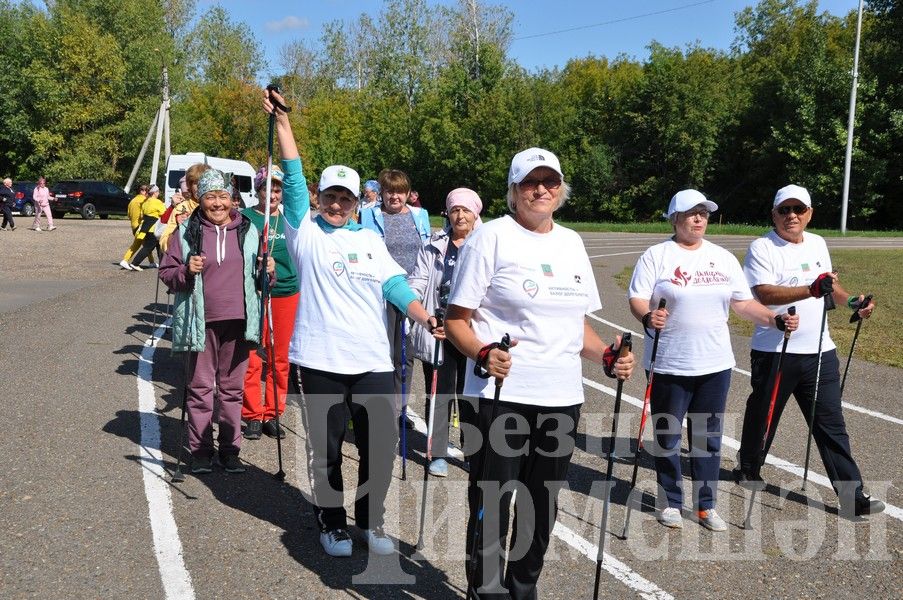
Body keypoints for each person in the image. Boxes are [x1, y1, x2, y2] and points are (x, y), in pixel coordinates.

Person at [444, 147, 635, 599]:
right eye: (532, 181)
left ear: (561, 188)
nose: (542, 189)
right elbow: (456, 320)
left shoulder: (571, 242)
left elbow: (578, 327)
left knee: (540, 504)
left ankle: (523, 585)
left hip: (560, 397)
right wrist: (483, 351)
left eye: (551, 181)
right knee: (494, 498)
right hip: (500, 394)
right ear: (514, 190)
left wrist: (607, 355)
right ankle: (486, 589)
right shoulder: (490, 238)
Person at [265, 89, 440, 558]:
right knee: (325, 450)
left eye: (345, 197)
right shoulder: (305, 232)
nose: (337, 204)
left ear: (356, 201)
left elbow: (396, 287)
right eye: (331, 196)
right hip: (320, 358)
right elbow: (295, 179)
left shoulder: (369, 238)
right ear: (320, 198)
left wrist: (426, 317)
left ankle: (370, 521)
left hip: (371, 360)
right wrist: (284, 123)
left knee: (379, 449)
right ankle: (331, 522)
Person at [627, 189, 799, 532]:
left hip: (715, 363)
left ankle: (706, 505)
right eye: (691, 213)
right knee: (668, 435)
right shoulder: (656, 255)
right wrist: (647, 317)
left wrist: (773, 319)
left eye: (703, 213)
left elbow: (743, 303)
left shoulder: (722, 258)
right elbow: (637, 297)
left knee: (708, 436)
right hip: (669, 362)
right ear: (674, 218)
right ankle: (671, 500)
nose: (698, 218)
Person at [733, 184, 884, 517]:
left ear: (809, 213)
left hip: (820, 351)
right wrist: (809, 289)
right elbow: (763, 294)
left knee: (831, 424)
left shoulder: (818, 242)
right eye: (785, 210)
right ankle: (748, 466)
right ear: (773, 214)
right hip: (775, 351)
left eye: (798, 210)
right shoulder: (762, 247)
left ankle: (852, 495)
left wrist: (854, 301)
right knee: (765, 416)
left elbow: (830, 286)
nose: (792, 216)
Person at [158, 169, 273, 475]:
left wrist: (268, 270)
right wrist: (186, 271)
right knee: (200, 388)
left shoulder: (249, 231)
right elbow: (167, 274)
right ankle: (199, 451)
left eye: (223, 196)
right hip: (200, 321)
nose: (218, 203)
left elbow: (262, 282)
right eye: (211, 197)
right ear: (200, 198)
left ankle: (230, 450)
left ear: (233, 198)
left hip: (239, 321)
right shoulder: (185, 232)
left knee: (232, 389)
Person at [408, 187, 483, 477]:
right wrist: (414, 309)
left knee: (471, 395)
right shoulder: (432, 245)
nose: (460, 215)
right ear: (448, 213)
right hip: (438, 330)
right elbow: (418, 281)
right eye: (455, 210)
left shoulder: (486, 245)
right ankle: (436, 451)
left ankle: (472, 448)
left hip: (473, 332)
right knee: (438, 393)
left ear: (476, 213)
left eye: (466, 210)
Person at [359, 169, 431, 424]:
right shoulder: (368, 215)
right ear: (382, 193)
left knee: (406, 355)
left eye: (400, 191)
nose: (394, 196)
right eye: (389, 191)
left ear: (408, 193)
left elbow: (428, 252)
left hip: (413, 292)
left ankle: (399, 408)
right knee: (383, 352)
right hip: (381, 291)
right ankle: (377, 406)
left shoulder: (420, 216)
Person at [241, 165, 299, 441]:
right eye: (268, 188)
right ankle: (252, 413)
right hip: (254, 293)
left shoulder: (292, 220)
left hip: (286, 293)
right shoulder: (244, 217)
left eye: (277, 189)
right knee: (251, 355)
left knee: (279, 357)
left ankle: (273, 411)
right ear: (258, 189)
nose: (273, 194)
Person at [159, 163, 208, 252]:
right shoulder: (181, 208)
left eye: (204, 182)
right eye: (196, 183)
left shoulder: (218, 207)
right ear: (189, 185)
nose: (200, 187)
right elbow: (164, 243)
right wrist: (178, 229)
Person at [130, 185, 166, 269]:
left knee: (159, 246)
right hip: (154, 228)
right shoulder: (158, 202)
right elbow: (164, 213)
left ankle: (163, 264)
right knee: (148, 248)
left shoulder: (145, 202)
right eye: (158, 191)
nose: (158, 193)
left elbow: (142, 214)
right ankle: (135, 263)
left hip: (146, 227)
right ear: (154, 193)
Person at [120, 184, 150, 269]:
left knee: (147, 245)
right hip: (140, 226)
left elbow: (129, 214)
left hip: (133, 225)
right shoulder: (144, 200)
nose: (148, 193)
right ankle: (125, 260)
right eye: (147, 191)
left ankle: (152, 262)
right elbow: (143, 214)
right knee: (137, 245)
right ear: (142, 191)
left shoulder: (132, 201)